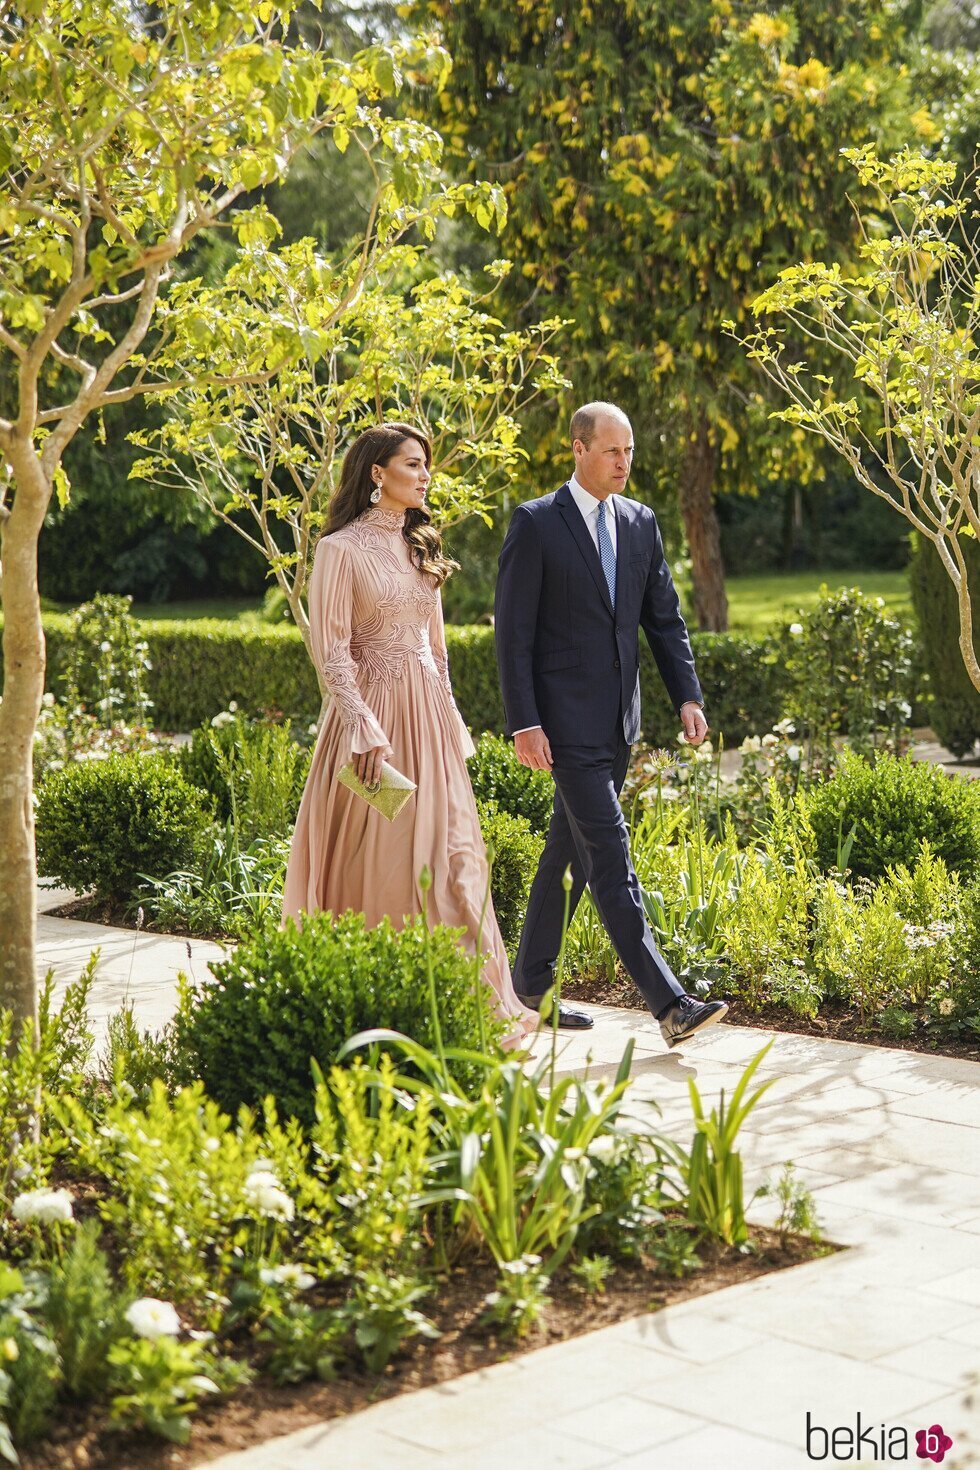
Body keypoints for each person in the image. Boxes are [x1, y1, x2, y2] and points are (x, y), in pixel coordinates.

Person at [283, 422, 537, 1045]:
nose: (425, 475)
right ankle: (380, 998)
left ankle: (465, 1002)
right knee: (386, 859)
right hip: (372, 726)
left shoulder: (423, 543)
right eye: (413, 464)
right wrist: (360, 724)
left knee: (455, 858)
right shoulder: (339, 550)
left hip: (428, 722)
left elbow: (438, 650)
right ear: (377, 474)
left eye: (426, 465)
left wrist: (451, 723)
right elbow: (331, 648)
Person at [494, 400, 729, 1045]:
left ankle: (530, 986)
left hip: (618, 722)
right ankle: (669, 1003)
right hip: (561, 727)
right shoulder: (537, 524)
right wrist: (524, 722)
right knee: (608, 854)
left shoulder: (641, 523)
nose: (624, 462)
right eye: (612, 450)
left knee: (564, 851)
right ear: (578, 448)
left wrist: (687, 695)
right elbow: (512, 636)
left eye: (629, 450)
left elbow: (664, 619)